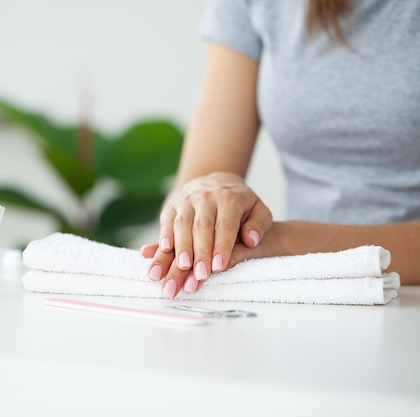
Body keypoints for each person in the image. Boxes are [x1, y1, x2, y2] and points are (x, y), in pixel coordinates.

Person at [141, 0, 420, 298]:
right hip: (302, 293)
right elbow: (196, 181)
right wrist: (207, 208)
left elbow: (278, 244)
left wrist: (283, 242)